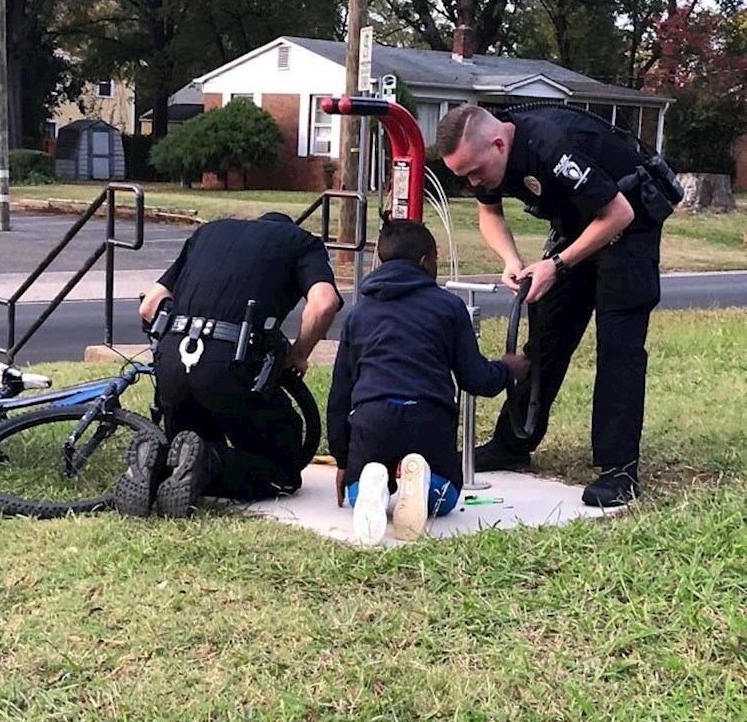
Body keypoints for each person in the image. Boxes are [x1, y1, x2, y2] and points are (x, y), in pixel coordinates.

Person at [436, 103, 675, 507]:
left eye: (475, 171)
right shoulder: (485, 155)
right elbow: (489, 214)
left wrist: (557, 265)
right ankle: (513, 444)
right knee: (546, 335)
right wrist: (511, 260)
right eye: (465, 176)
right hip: (580, 226)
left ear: (498, 144)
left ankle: (619, 470)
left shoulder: (551, 146)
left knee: (618, 346)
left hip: (629, 224)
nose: (474, 182)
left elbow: (618, 213)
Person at [116, 212, 342, 518]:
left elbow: (149, 306)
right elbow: (324, 302)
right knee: (282, 470)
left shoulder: (207, 233)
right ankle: (207, 461)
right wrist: (299, 354)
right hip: (232, 362)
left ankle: (157, 462)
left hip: (172, 361)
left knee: (188, 445)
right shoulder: (301, 242)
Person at [326, 219, 528, 545]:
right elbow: (476, 379)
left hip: (372, 417)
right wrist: (507, 369)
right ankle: (421, 486)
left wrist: (343, 461)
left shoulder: (358, 313)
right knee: (445, 496)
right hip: (428, 417)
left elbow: (340, 393)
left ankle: (371, 487)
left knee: (356, 491)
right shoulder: (448, 307)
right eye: (436, 258)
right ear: (425, 261)